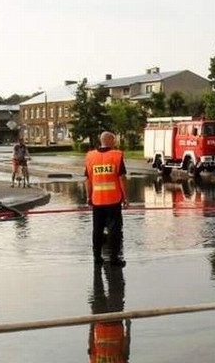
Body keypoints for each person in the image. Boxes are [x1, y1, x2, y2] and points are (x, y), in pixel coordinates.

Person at [84, 131, 129, 266]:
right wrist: (125, 197)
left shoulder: (90, 156)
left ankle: (97, 257)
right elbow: (122, 178)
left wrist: (88, 196)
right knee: (114, 229)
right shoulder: (117, 155)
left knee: (97, 229)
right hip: (113, 199)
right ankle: (114, 259)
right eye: (113, 140)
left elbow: (87, 179)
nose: (115, 142)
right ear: (109, 141)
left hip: (97, 199)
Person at [88, 265, 130, 362]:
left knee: (114, 288)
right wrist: (92, 323)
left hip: (112, 322)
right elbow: (91, 348)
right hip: (106, 322)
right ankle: (108, 263)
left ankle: (109, 263)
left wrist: (128, 327)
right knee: (101, 282)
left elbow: (91, 349)